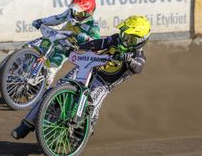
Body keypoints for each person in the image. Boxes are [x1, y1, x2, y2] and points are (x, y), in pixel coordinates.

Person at [11, 15, 151, 139]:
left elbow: (138, 67)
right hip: (91, 67)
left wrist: (130, 60)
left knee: (91, 104)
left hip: (104, 84)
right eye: (124, 35)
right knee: (54, 90)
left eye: (130, 39)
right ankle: (26, 124)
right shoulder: (116, 39)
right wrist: (80, 47)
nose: (125, 40)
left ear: (141, 41)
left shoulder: (138, 56)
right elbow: (99, 43)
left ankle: (82, 131)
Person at [0, 0, 100, 93]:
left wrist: (87, 38)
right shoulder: (71, 13)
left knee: (50, 71)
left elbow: (96, 43)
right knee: (24, 49)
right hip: (55, 37)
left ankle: (37, 94)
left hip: (66, 48)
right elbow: (58, 18)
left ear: (88, 13)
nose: (75, 14)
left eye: (79, 13)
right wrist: (42, 21)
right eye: (75, 11)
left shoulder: (93, 27)